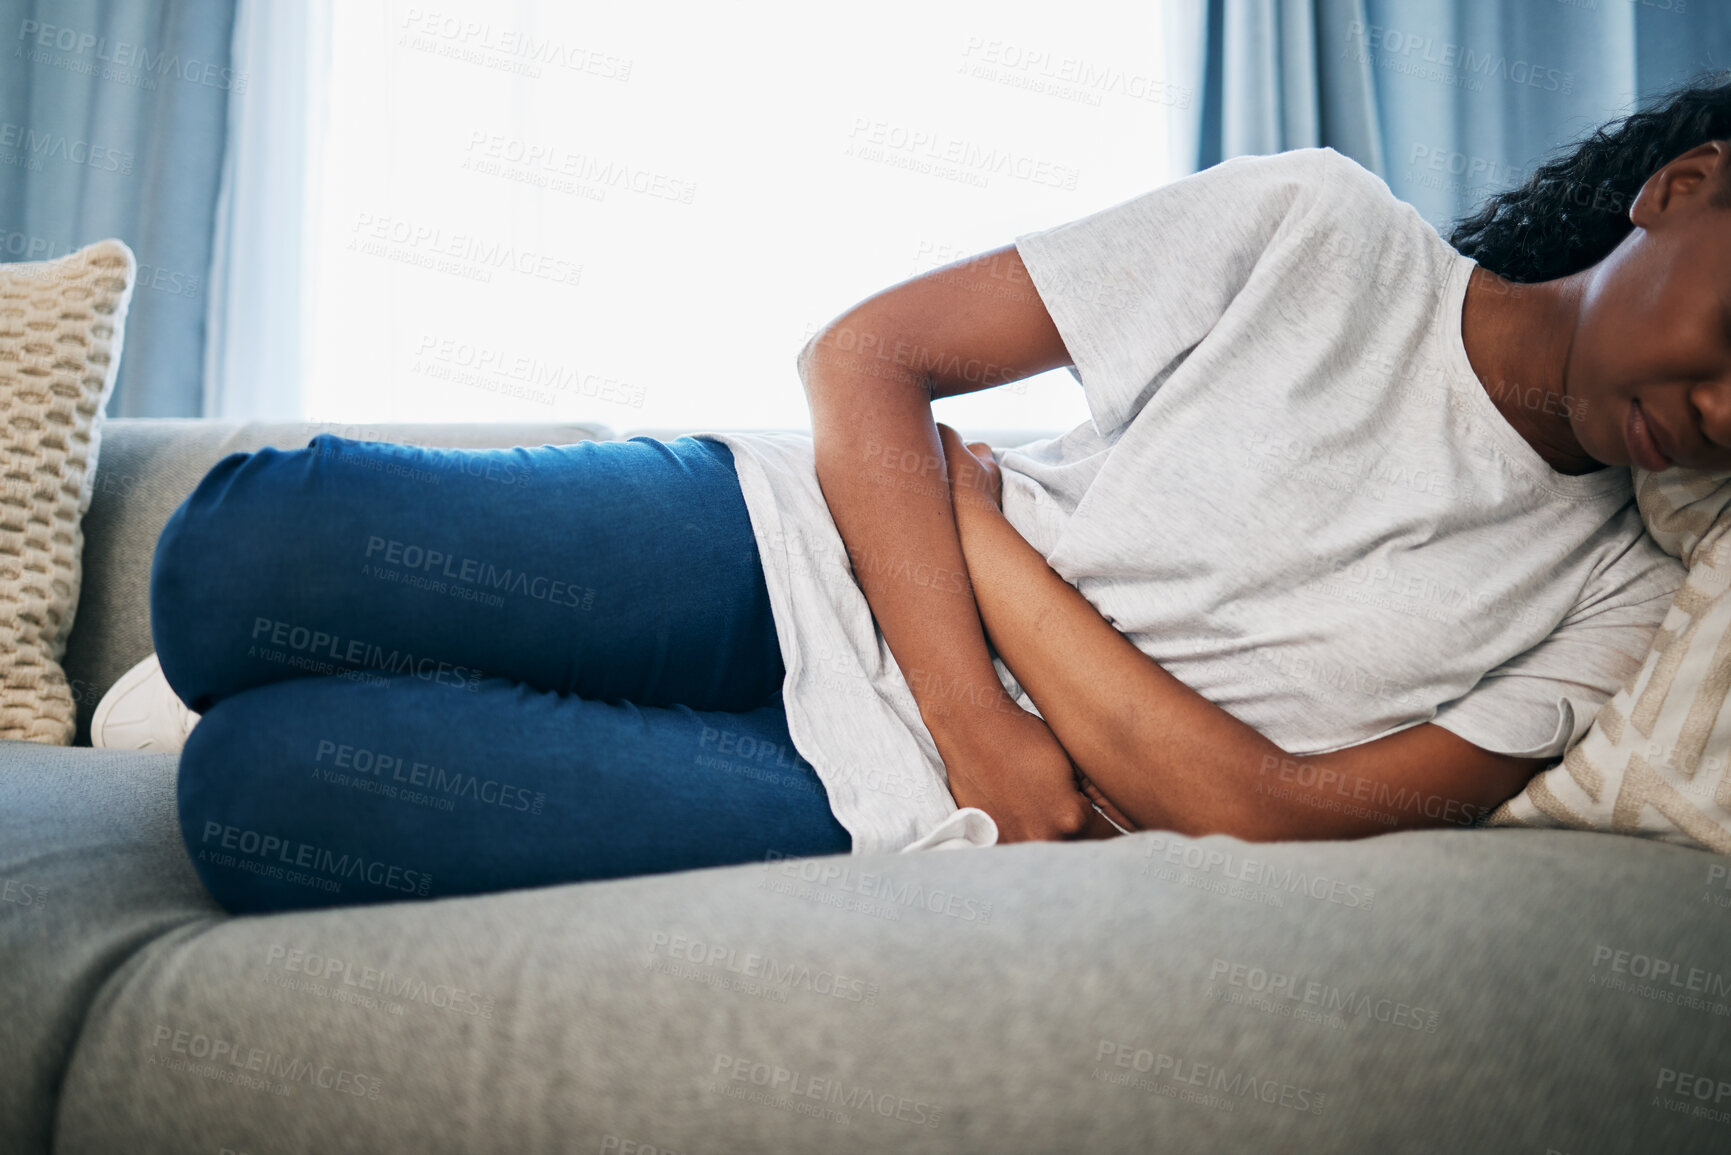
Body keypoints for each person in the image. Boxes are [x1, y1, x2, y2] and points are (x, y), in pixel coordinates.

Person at [138, 71, 1730, 916]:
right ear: (1678, 191)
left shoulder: (1622, 597)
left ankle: (271, 697)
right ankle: (250, 664)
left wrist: (986, 564)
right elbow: (869, 355)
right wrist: (980, 702)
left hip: (880, 794)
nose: (1722, 412)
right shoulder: (1325, 231)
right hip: (804, 558)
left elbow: (1274, 812)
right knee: (236, 555)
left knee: (266, 804)